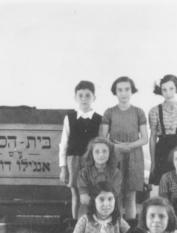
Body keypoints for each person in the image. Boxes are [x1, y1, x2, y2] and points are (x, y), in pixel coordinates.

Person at [100, 76, 149, 223]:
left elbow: (145, 138)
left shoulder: (138, 112)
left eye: (127, 89)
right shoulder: (109, 112)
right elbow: (102, 138)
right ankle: (115, 226)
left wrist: (128, 146)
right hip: (114, 156)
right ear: (115, 92)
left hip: (134, 156)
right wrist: (117, 146)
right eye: (120, 90)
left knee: (131, 194)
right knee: (115, 193)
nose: (123, 93)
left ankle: (131, 230)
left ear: (132, 91)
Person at [59, 80, 102, 220]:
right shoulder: (69, 117)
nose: (84, 99)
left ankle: (93, 225)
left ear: (94, 98)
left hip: (92, 162)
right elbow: (64, 143)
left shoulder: (99, 119)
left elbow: (102, 144)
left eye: (88, 95)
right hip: (74, 160)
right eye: (81, 95)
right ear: (75, 97)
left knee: (93, 193)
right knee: (76, 195)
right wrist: (63, 168)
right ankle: (75, 227)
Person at [148, 75, 177, 187]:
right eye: (164, 89)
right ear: (160, 90)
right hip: (162, 152)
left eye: (171, 89)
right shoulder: (154, 111)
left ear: (176, 88)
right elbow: (153, 137)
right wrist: (153, 162)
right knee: (165, 187)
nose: (168, 92)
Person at [76, 138, 122, 213]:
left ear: (110, 153)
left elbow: (112, 197)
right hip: (89, 210)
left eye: (104, 151)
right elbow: (84, 199)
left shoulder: (116, 173)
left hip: (109, 209)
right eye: (97, 152)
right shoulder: (83, 173)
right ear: (91, 154)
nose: (101, 155)